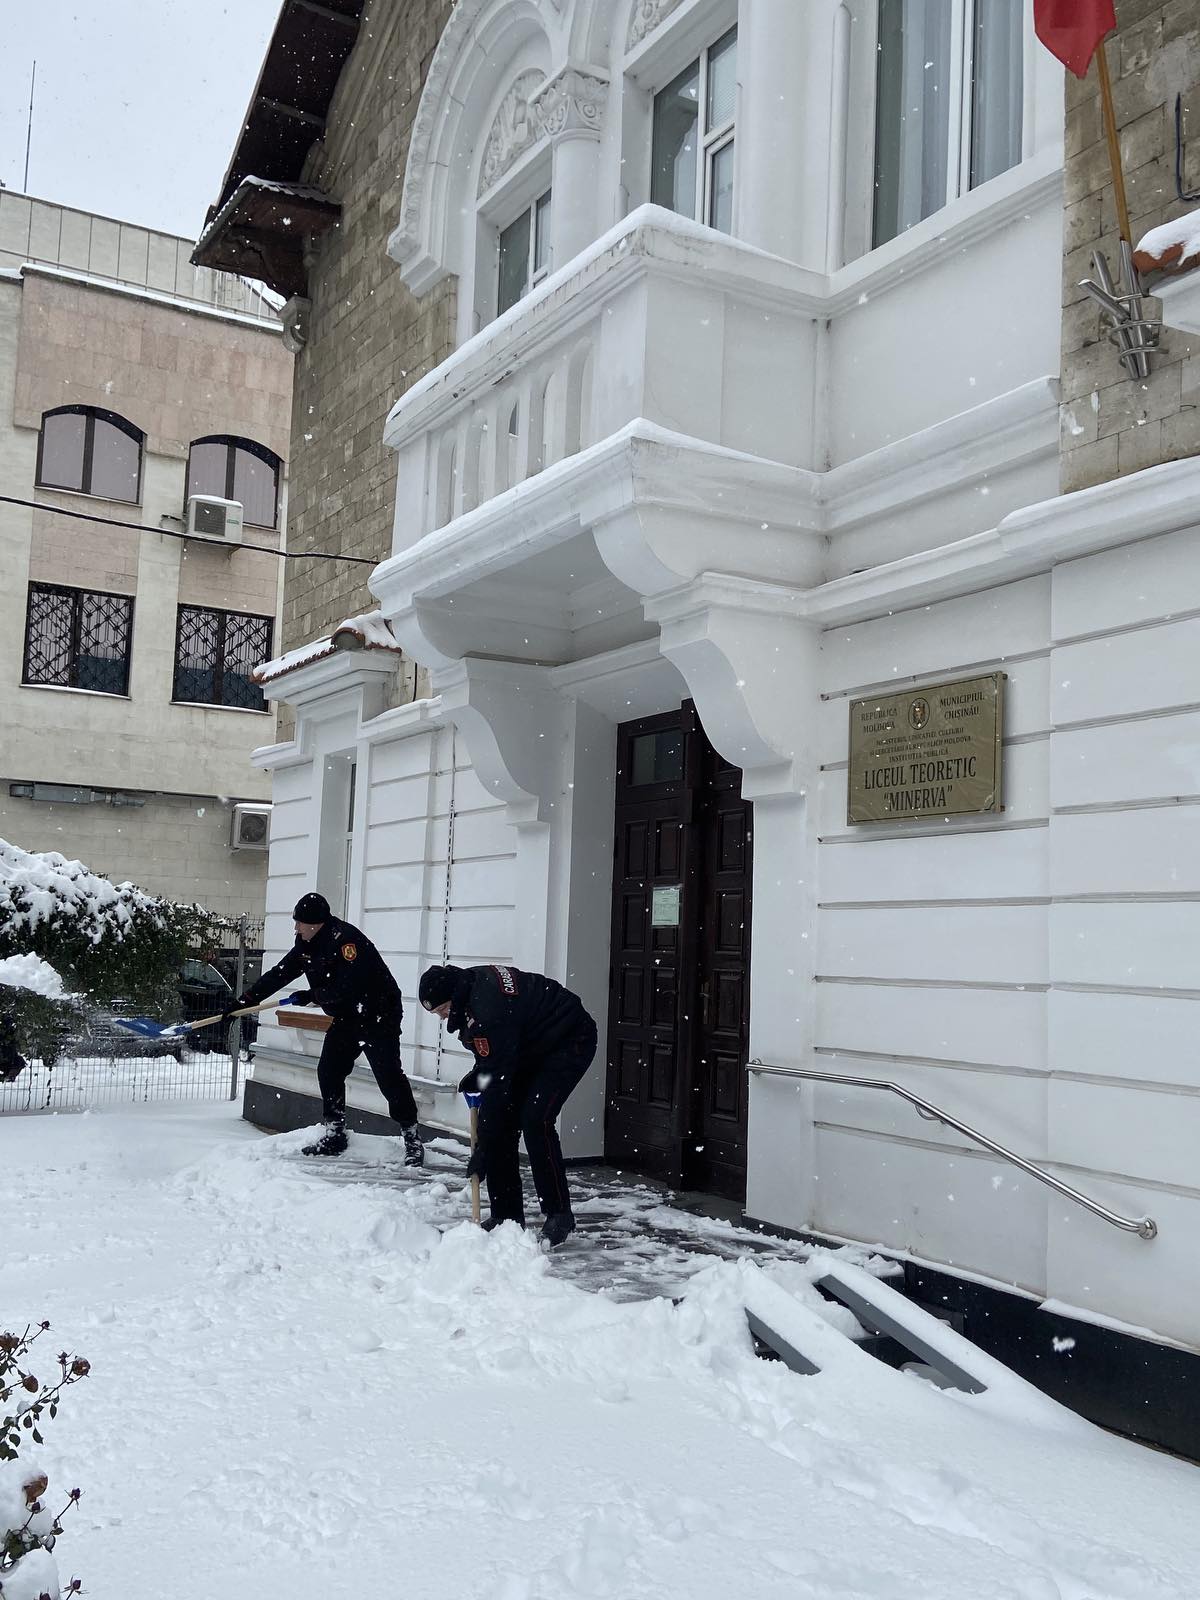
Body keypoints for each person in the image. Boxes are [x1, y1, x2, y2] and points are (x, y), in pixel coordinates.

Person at [232, 893, 424, 1164]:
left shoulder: (346, 941)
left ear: (316, 923)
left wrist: (312, 995)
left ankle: (412, 1137)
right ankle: (335, 1133)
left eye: (300, 923)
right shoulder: (306, 943)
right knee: (329, 1071)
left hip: (378, 1014)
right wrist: (245, 1001)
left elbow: (349, 986)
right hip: (347, 1016)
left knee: (388, 1076)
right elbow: (281, 972)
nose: (296, 928)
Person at [418, 962, 596, 1246]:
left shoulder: (487, 1008)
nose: (441, 1017)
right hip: (529, 1046)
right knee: (504, 1126)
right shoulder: (469, 990)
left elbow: (497, 1083)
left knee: (535, 1119)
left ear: (454, 996)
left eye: (442, 1009)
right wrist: (481, 1073)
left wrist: (483, 1149)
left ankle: (559, 1214)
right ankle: (506, 1216)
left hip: (568, 1040)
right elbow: (496, 1057)